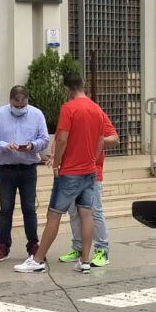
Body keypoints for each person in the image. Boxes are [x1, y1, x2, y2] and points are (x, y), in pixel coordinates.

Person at [14, 72, 106, 274]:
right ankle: (85, 260)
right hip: (90, 171)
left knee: (54, 215)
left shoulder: (69, 108)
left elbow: (62, 139)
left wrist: (57, 163)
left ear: (68, 89)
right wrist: (93, 158)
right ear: (82, 86)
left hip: (71, 171)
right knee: (86, 213)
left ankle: (37, 260)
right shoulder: (97, 109)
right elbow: (101, 140)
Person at [0, 85, 49, 262]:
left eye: (23, 106)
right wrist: (4, 145)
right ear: (10, 101)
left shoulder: (36, 114)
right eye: (16, 105)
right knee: (6, 209)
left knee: (29, 209)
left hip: (28, 168)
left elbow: (44, 139)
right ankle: (3, 246)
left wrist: (32, 146)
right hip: (6, 168)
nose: (19, 109)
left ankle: (33, 245)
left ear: (27, 101)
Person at [58, 113, 118, 267]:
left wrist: (97, 140)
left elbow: (114, 138)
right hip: (71, 171)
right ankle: (78, 248)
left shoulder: (97, 114)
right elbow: (60, 138)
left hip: (92, 172)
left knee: (94, 211)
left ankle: (102, 250)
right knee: (73, 212)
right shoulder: (70, 113)